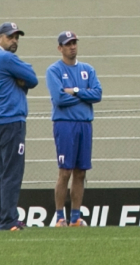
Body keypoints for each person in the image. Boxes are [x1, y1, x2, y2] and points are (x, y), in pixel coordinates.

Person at [0, 21, 39, 231]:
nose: (14, 40)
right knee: (12, 172)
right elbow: (32, 78)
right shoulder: (4, 57)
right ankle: (8, 219)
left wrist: (22, 77)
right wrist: (22, 78)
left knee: (2, 171)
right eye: (10, 36)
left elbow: (27, 76)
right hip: (10, 120)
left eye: (16, 37)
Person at [48, 31, 102, 227]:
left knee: (81, 172)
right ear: (60, 48)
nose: (72, 46)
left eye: (74, 43)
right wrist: (84, 96)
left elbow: (97, 94)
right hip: (65, 125)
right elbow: (59, 98)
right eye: (68, 44)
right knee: (65, 171)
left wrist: (77, 91)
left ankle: (75, 217)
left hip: (85, 124)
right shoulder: (54, 70)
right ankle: (60, 216)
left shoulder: (88, 69)